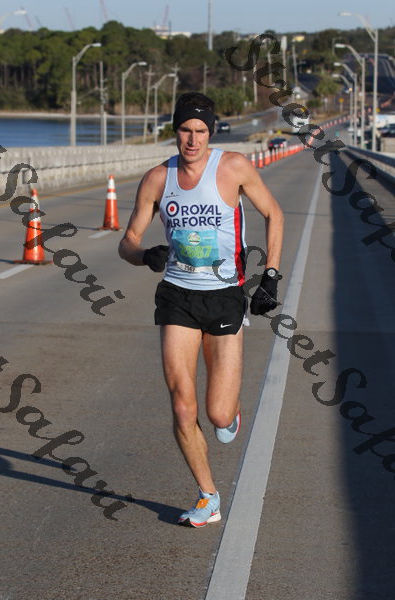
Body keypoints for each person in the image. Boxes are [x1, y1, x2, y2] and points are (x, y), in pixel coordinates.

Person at [118, 92, 284, 528]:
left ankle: (230, 410)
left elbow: (274, 214)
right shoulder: (158, 179)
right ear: (174, 131)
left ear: (211, 133)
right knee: (182, 406)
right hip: (177, 297)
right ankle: (208, 496)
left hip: (225, 295)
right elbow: (127, 241)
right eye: (185, 130)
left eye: (200, 131)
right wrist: (144, 256)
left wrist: (270, 275)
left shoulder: (233, 168)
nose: (192, 140)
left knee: (218, 414)